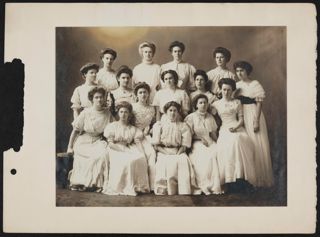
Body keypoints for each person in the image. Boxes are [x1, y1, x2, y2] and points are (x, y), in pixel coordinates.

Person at [212, 78, 256, 193]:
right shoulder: (215, 104)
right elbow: (211, 120)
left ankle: (240, 178)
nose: (226, 92)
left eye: (229, 90)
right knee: (229, 145)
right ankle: (229, 180)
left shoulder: (237, 102)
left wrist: (236, 128)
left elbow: (241, 120)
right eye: (224, 89)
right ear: (220, 90)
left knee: (239, 139)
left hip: (236, 126)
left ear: (232, 91)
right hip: (224, 129)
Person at [234, 61, 274, 187]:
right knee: (245, 144)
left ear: (247, 71)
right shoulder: (236, 85)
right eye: (237, 71)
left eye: (242, 71)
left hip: (252, 113)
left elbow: (259, 103)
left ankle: (259, 179)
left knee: (256, 142)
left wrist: (256, 120)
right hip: (241, 115)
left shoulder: (255, 84)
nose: (239, 73)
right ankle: (248, 178)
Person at [66, 87, 114, 192]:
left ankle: (96, 184)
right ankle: (81, 182)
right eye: (96, 97)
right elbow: (75, 130)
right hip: (84, 141)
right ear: (92, 99)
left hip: (98, 141)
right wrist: (69, 147)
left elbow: (113, 128)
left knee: (101, 156)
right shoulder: (86, 113)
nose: (99, 100)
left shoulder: (107, 113)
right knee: (84, 156)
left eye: (101, 97)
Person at [102, 101, 150, 196]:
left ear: (129, 114)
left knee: (140, 158)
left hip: (127, 148)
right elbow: (111, 144)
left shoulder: (132, 128)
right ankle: (124, 187)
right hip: (114, 149)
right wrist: (122, 150)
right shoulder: (113, 126)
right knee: (128, 161)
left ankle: (138, 186)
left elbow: (137, 142)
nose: (123, 114)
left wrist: (143, 153)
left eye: (126, 112)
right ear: (118, 113)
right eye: (121, 112)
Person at [152, 101, 197, 195]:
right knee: (167, 163)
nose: (172, 113)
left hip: (178, 151)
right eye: (170, 110)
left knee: (182, 161)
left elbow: (185, 145)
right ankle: (166, 190)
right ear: (166, 112)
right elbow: (156, 145)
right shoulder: (159, 125)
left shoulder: (183, 126)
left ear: (178, 112)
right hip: (163, 151)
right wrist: (166, 152)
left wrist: (177, 153)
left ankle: (183, 190)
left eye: (175, 111)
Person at [185, 94, 222, 195]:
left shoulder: (210, 117)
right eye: (200, 103)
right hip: (196, 143)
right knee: (207, 157)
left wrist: (219, 144)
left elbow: (214, 135)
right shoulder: (190, 117)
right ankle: (205, 185)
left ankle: (218, 184)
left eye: (205, 102)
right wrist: (200, 138)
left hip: (210, 141)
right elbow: (187, 135)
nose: (203, 105)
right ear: (196, 105)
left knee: (219, 152)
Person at [132, 82, 157, 191]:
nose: (143, 95)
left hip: (146, 136)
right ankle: (140, 184)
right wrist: (137, 131)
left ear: (148, 94)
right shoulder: (132, 107)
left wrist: (150, 129)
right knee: (140, 155)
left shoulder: (152, 108)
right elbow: (128, 123)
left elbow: (154, 124)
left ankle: (151, 185)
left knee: (151, 153)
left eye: (145, 92)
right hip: (134, 135)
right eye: (140, 92)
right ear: (136, 95)